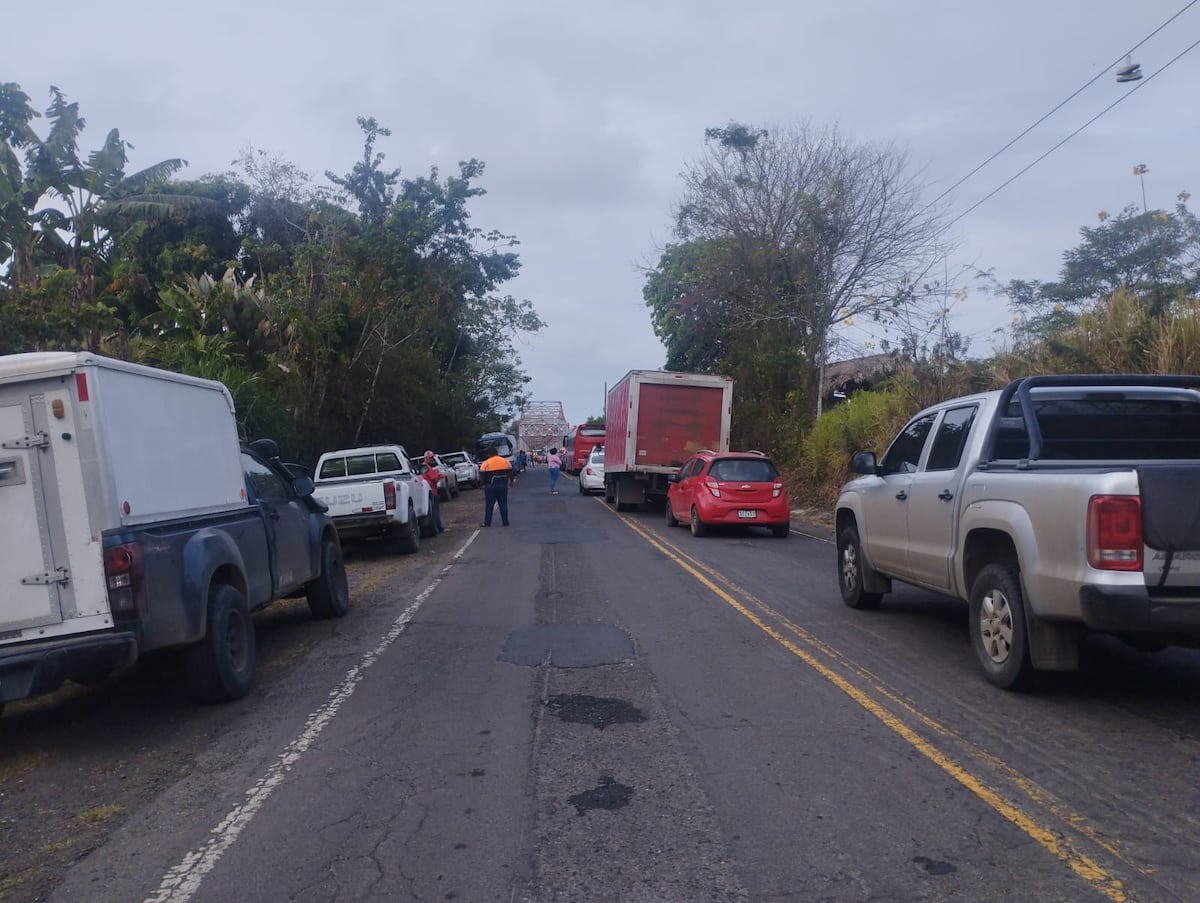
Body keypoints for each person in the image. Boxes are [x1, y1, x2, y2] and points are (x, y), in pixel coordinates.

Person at [479, 447, 514, 526]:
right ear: (497, 453)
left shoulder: (486, 463)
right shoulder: (505, 461)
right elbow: (511, 473)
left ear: (489, 454)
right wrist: (511, 482)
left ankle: (487, 522)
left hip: (490, 487)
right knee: (503, 504)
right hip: (503, 485)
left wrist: (481, 485)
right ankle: (505, 522)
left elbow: (481, 476)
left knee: (489, 505)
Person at [421, 450, 446, 533]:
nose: (431, 459)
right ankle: (439, 527)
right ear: (426, 458)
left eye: (432, 458)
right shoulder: (427, 468)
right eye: (430, 458)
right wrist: (439, 476)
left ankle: (437, 527)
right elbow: (434, 478)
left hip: (429, 492)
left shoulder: (424, 467)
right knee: (435, 511)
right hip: (432, 492)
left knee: (434, 510)